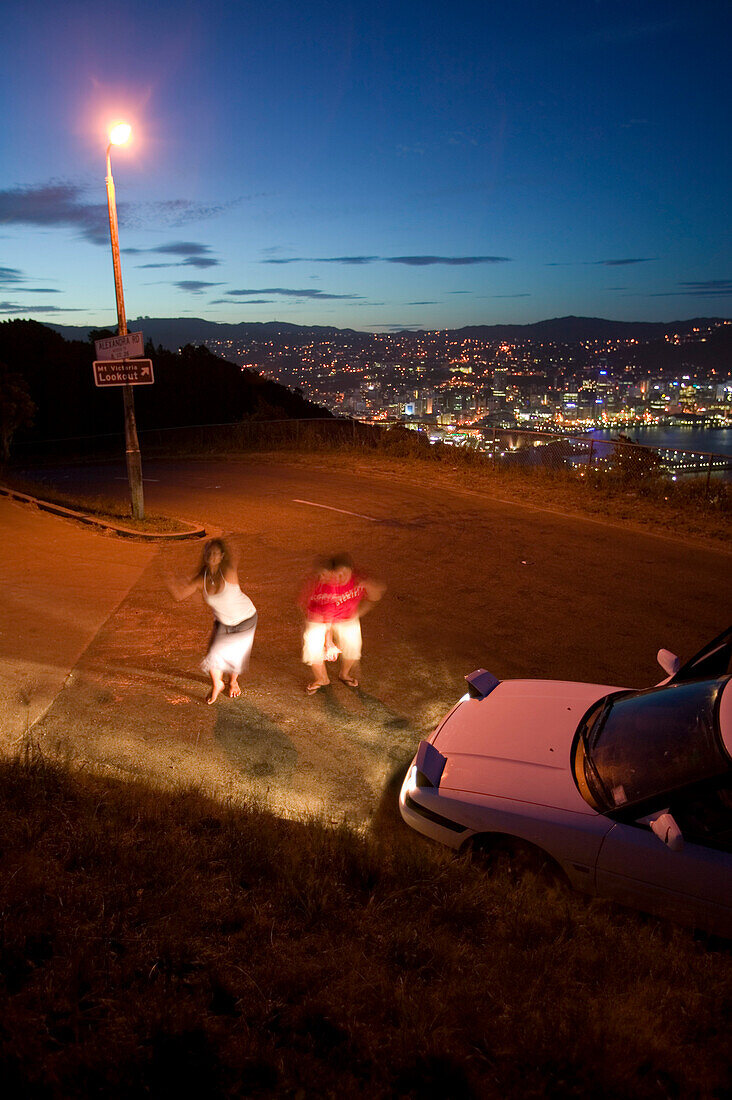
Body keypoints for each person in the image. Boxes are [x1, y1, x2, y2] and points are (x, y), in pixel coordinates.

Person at [167, 538, 257, 704]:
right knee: (213, 655)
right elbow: (179, 595)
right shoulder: (202, 578)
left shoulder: (228, 571)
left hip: (245, 619)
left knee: (234, 656)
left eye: (216, 553)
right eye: (209, 553)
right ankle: (218, 684)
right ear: (205, 555)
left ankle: (233, 681)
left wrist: (230, 540)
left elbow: (236, 554)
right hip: (223, 621)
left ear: (222, 556)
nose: (212, 556)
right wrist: (169, 580)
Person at [299, 553, 385, 695]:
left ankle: (344, 674)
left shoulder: (359, 579)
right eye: (337, 574)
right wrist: (329, 642)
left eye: (345, 573)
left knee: (352, 647)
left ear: (352, 570)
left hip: (346, 616)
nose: (340, 578)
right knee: (313, 649)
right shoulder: (325, 584)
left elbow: (376, 594)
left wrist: (361, 606)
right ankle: (322, 679)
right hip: (318, 616)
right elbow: (326, 616)